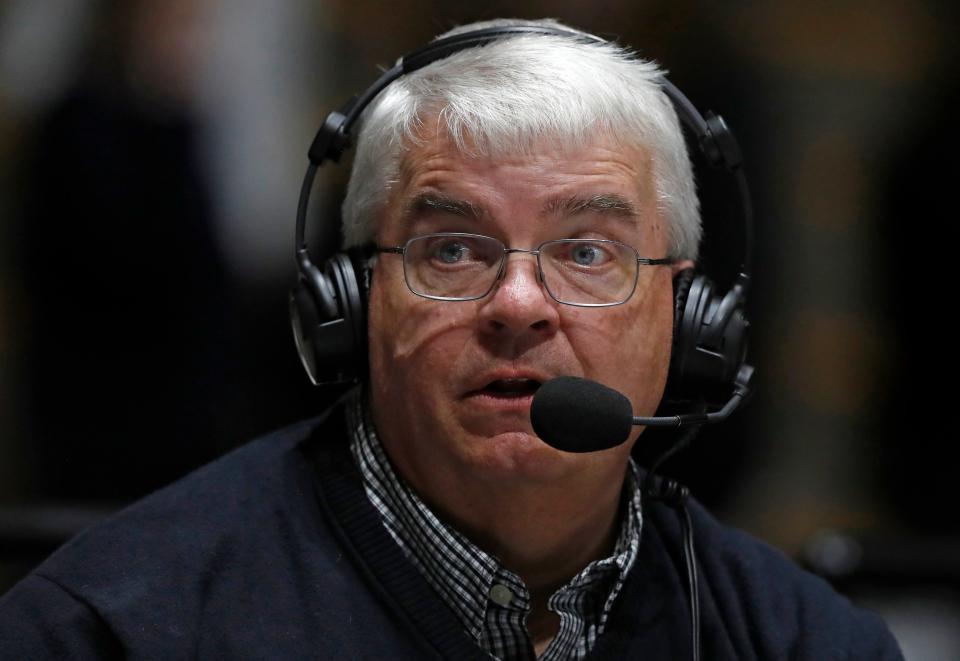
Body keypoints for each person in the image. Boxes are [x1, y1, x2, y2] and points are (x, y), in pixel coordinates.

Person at [0, 18, 902, 660]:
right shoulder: (110, 630)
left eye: (587, 250)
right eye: (453, 249)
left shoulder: (805, 640)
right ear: (351, 302)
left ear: (690, 316)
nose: (517, 303)